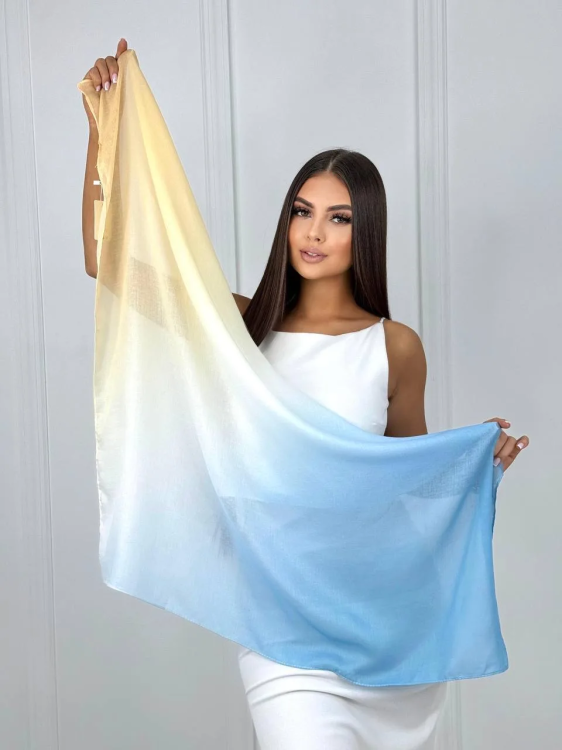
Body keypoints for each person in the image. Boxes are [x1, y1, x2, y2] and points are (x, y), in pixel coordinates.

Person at [81, 38, 530, 750]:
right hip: (282, 637)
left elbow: (406, 493)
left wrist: (471, 462)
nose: (314, 232)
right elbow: (103, 262)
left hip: (380, 636)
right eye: (302, 211)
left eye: (338, 218)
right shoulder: (237, 329)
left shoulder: (395, 347)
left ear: (364, 231)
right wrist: (102, 131)